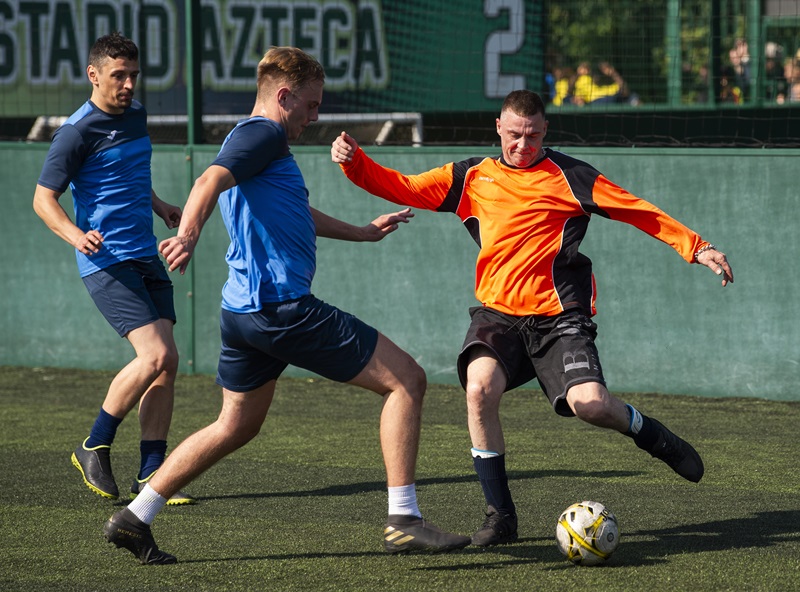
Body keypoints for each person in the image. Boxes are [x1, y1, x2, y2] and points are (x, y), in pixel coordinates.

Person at [101, 46, 471, 565]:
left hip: (245, 315)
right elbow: (207, 181)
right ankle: (404, 518)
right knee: (407, 380)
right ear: (284, 95)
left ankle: (135, 516)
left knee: (236, 425)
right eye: (312, 105)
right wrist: (187, 235)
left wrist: (362, 233)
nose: (315, 116)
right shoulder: (265, 134)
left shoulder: (251, 141)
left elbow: (295, 211)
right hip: (283, 310)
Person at [331, 89, 733, 547]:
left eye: (533, 136)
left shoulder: (571, 176)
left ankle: (652, 434)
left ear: (545, 132)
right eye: (514, 135)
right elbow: (401, 186)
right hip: (497, 315)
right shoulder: (469, 178)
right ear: (498, 128)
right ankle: (500, 516)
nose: (522, 145)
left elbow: (637, 210)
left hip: (559, 318)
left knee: (592, 405)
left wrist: (696, 247)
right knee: (479, 389)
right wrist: (353, 162)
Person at [32, 32, 194, 506]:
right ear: (94, 74)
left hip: (145, 251)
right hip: (106, 260)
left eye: (134, 76)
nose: (127, 85)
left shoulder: (137, 115)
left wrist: (161, 205)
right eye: (118, 75)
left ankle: (152, 473)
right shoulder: (76, 132)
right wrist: (76, 235)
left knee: (167, 366)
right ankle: (94, 443)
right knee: (153, 357)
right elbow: (43, 200)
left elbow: (128, 178)